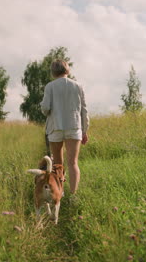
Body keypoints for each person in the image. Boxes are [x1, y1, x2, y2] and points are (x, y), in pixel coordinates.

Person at [40, 59, 89, 195]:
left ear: (53, 71)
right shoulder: (78, 86)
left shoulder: (50, 86)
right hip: (74, 127)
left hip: (55, 127)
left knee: (57, 164)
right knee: (73, 163)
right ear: (67, 69)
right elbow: (84, 110)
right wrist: (85, 130)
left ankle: (59, 193)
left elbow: (45, 108)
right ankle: (73, 195)